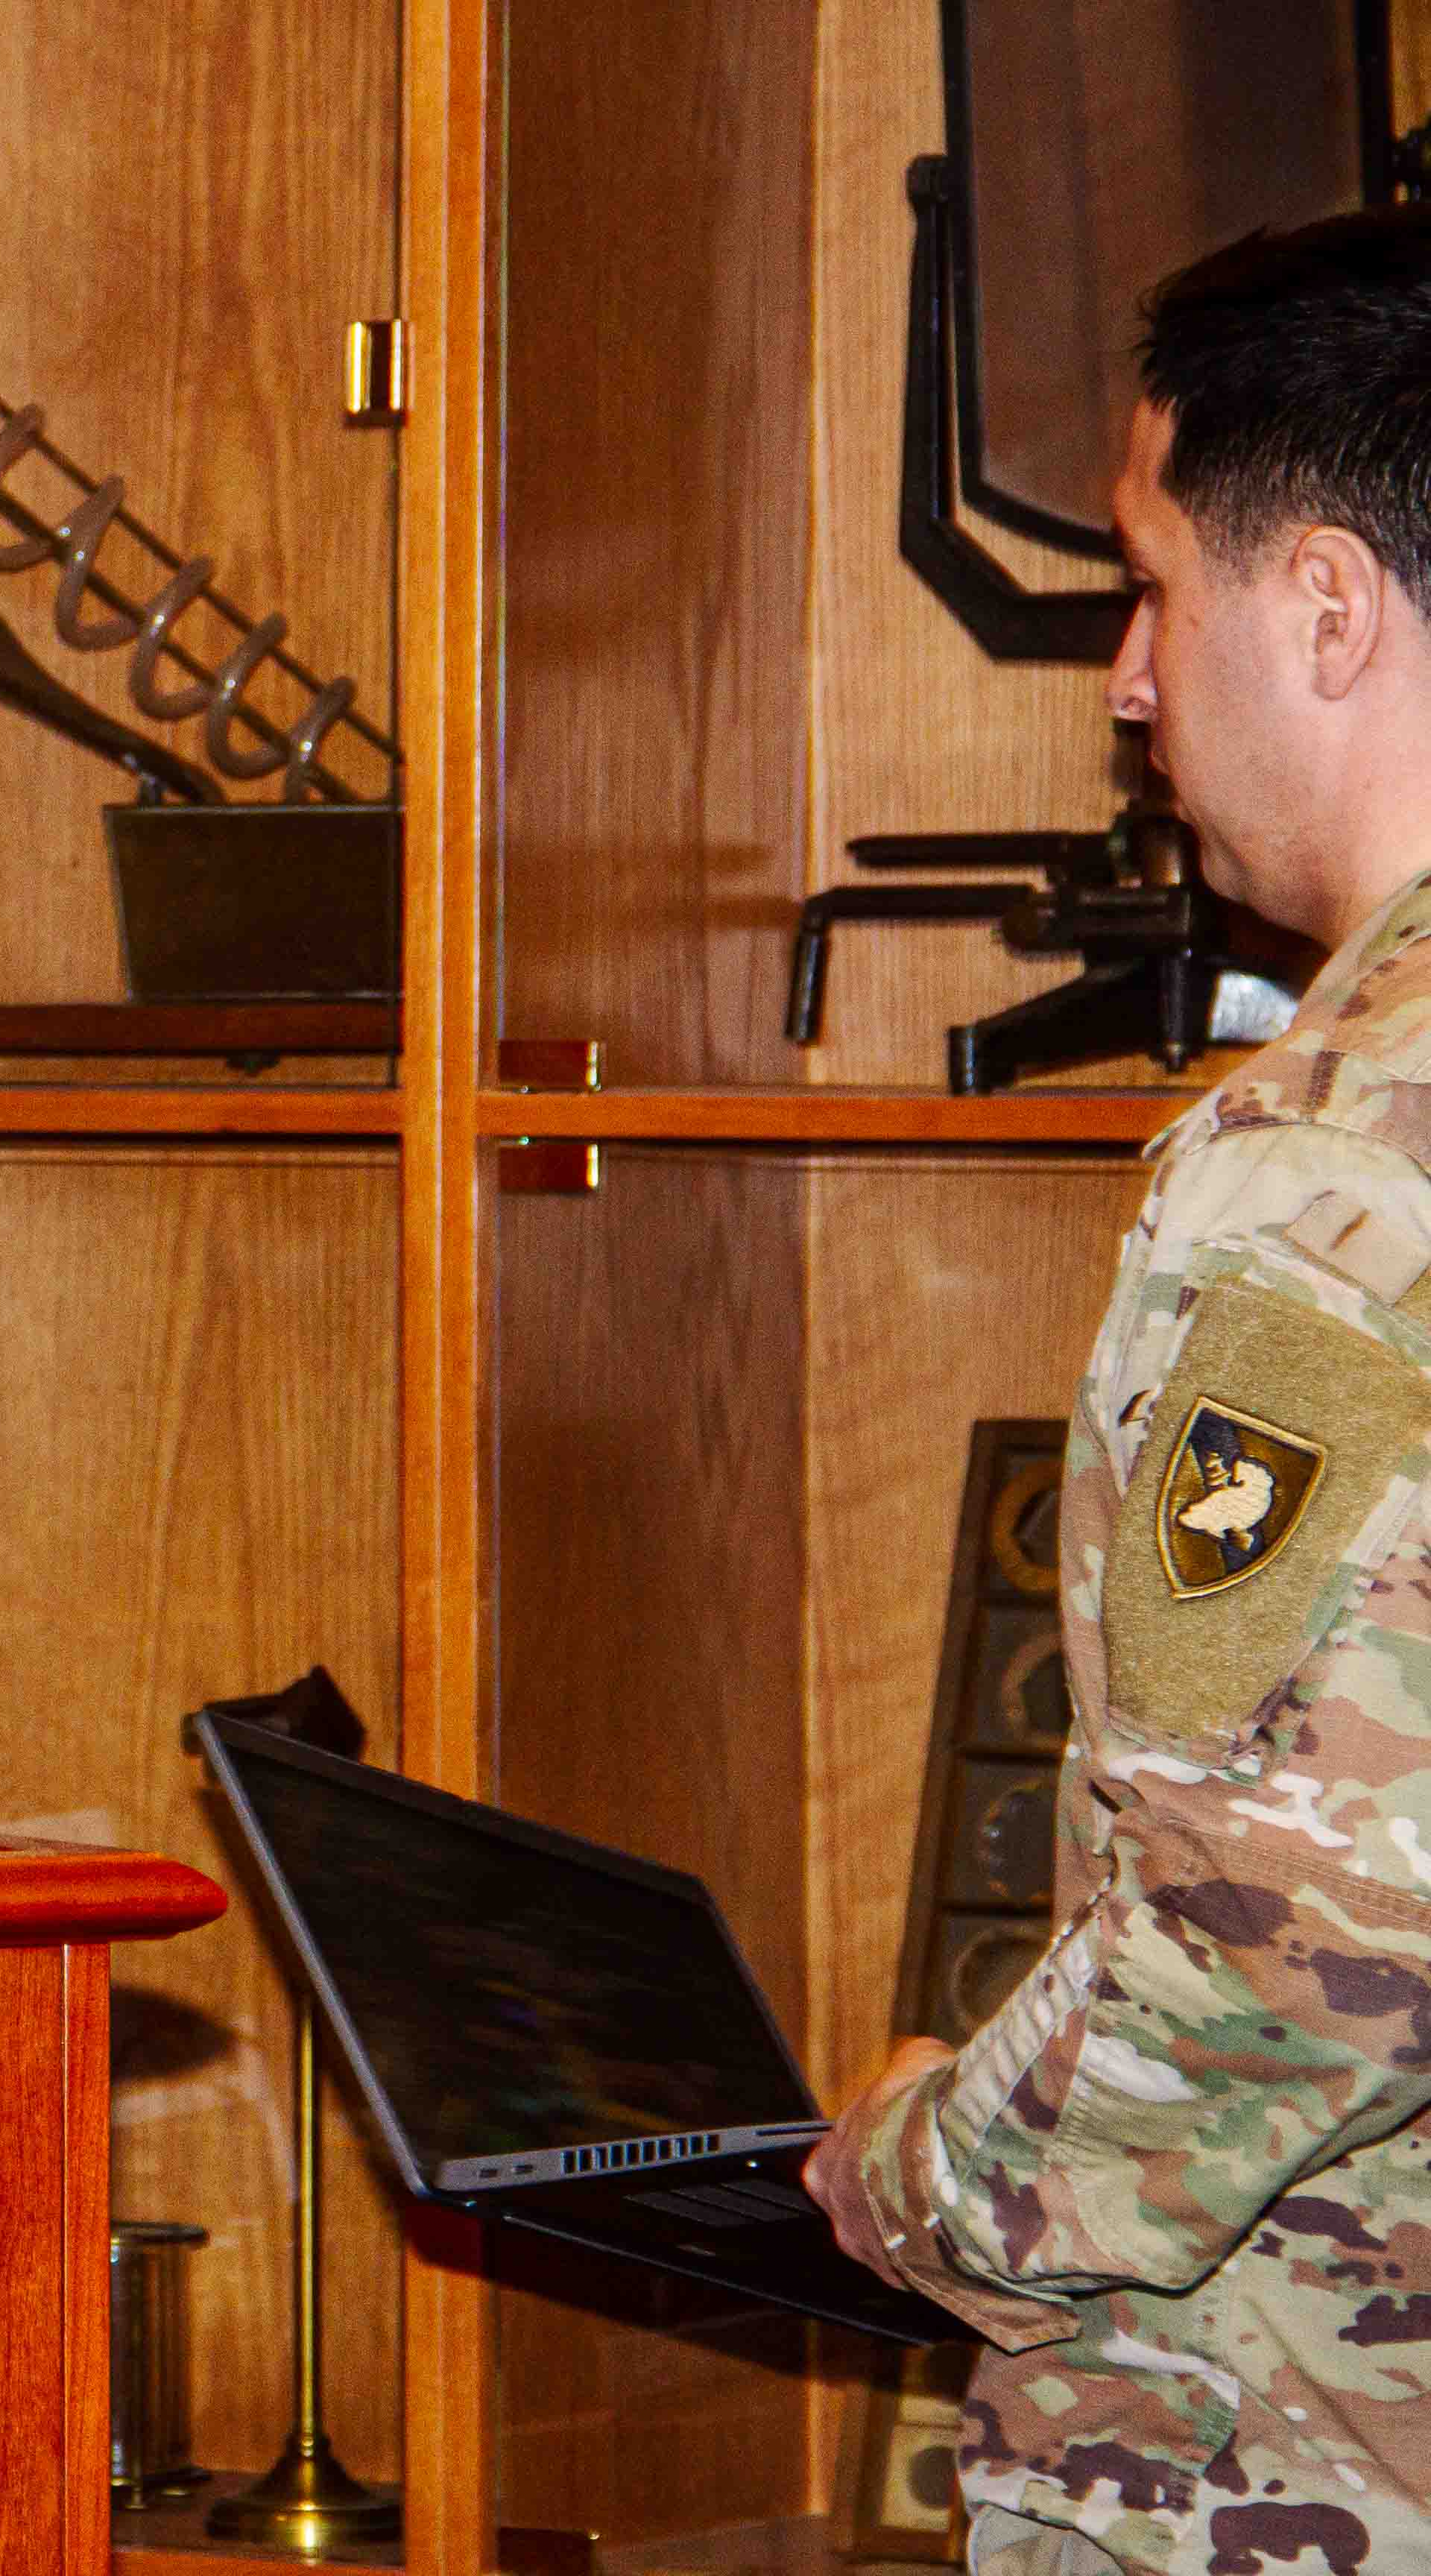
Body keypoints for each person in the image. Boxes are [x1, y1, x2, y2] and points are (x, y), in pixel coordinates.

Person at [807, 209, 1431, 2572]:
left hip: (1304, 2476)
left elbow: (1286, 1956)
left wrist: (913, 2168)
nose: (1131, 683)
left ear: (1336, 607)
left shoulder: (1335, 1171)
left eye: (1159, 586)